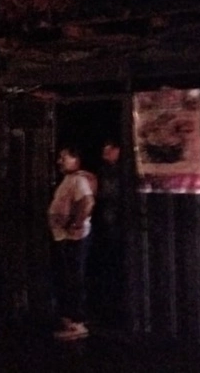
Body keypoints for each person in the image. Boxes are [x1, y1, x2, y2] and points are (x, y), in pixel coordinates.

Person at [48, 145, 96, 341]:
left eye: (64, 157)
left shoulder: (77, 180)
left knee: (74, 280)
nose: (60, 161)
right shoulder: (70, 179)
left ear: (75, 160)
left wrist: (75, 224)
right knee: (69, 278)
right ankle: (71, 318)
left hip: (74, 239)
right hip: (67, 237)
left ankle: (78, 323)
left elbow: (88, 202)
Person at [89, 137, 126, 328]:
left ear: (117, 150)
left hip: (117, 222)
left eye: (108, 149)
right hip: (107, 222)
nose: (105, 153)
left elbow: (109, 193)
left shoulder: (122, 169)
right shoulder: (104, 170)